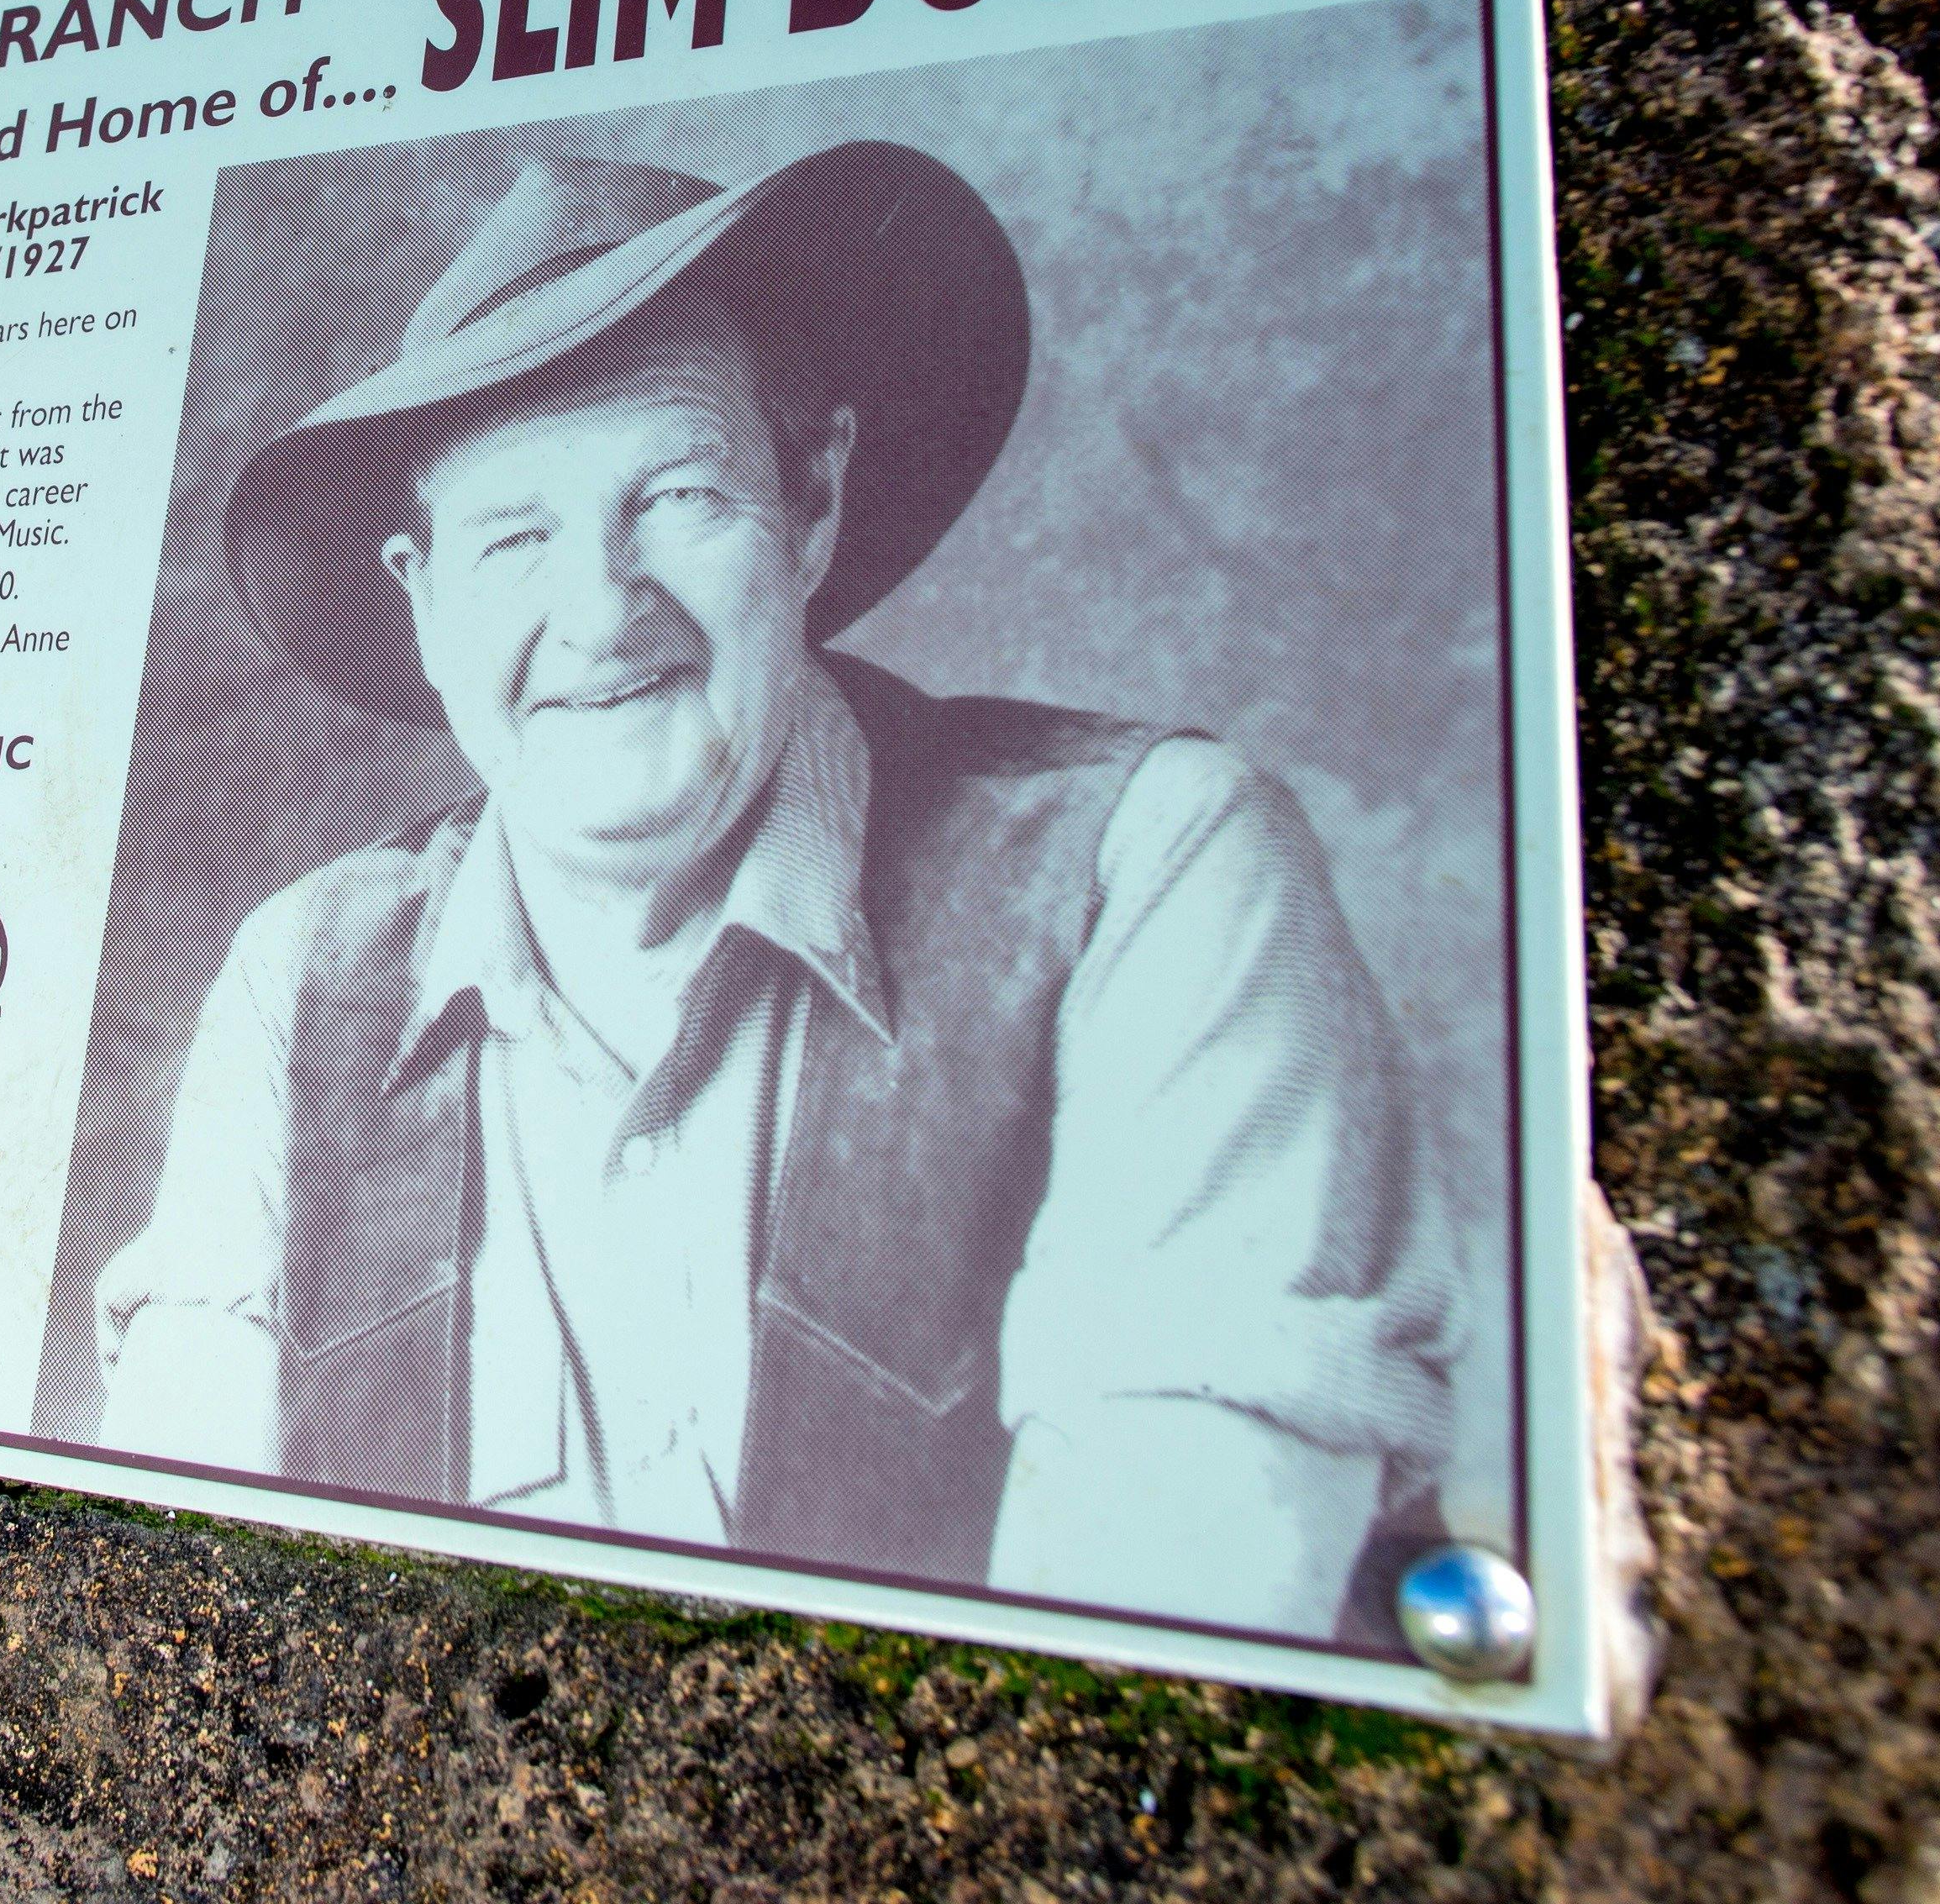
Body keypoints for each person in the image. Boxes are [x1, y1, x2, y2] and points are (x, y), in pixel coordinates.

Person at [90, 141, 1457, 1640]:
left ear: (810, 503)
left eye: (677, 496)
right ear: (425, 605)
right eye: (514, 537)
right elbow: (188, 1587)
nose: (602, 614)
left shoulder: (1146, 873)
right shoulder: (303, 979)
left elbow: (1152, 1640)